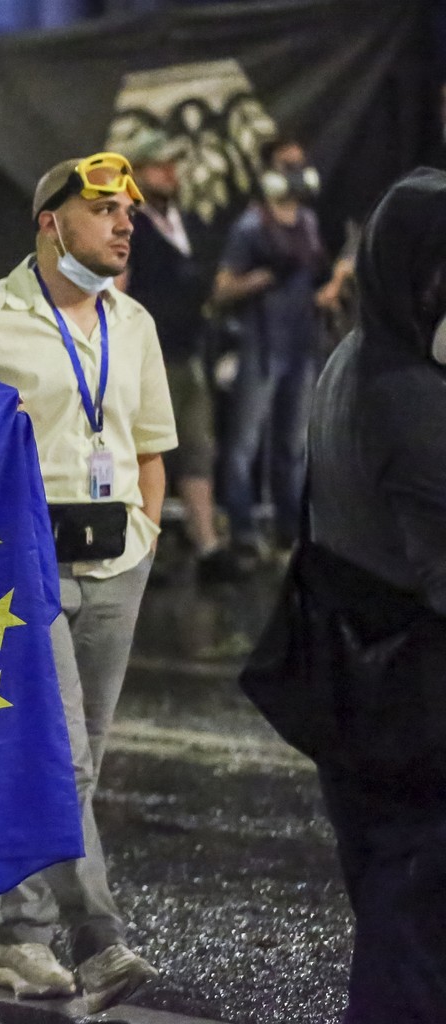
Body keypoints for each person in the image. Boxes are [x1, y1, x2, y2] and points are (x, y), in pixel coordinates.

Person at [0, 153, 175, 1013]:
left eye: (127, 212)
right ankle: (100, 945)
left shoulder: (133, 323)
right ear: (49, 220)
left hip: (115, 561)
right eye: (102, 207)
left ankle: (17, 941)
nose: (122, 222)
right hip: (17, 571)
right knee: (59, 760)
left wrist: (144, 534)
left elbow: (150, 448)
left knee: (80, 764)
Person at [303, 166, 446, 1023]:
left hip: (355, 685)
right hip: (416, 707)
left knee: (398, 920)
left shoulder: (353, 357)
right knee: (415, 938)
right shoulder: (408, 398)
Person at [210, 136, 333, 562]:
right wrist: (261, 278)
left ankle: (289, 533)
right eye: (286, 165)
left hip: (300, 347)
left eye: (300, 164)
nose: (295, 173)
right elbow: (222, 290)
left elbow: (314, 277)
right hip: (261, 346)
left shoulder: (308, 222)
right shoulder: (250, 226)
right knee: (244, 443)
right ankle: (243, 531)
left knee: (293, 446)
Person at [118, 128, 234, 581]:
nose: (170, 173)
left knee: (197, 449)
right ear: (139, 174)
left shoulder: (185, 223)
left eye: (172, 165)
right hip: (150, 358)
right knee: (147, 455)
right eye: (158, 166)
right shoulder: (130, 224)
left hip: (188, 352)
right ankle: (145, 550)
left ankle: (206, 546)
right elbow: (118, 287)